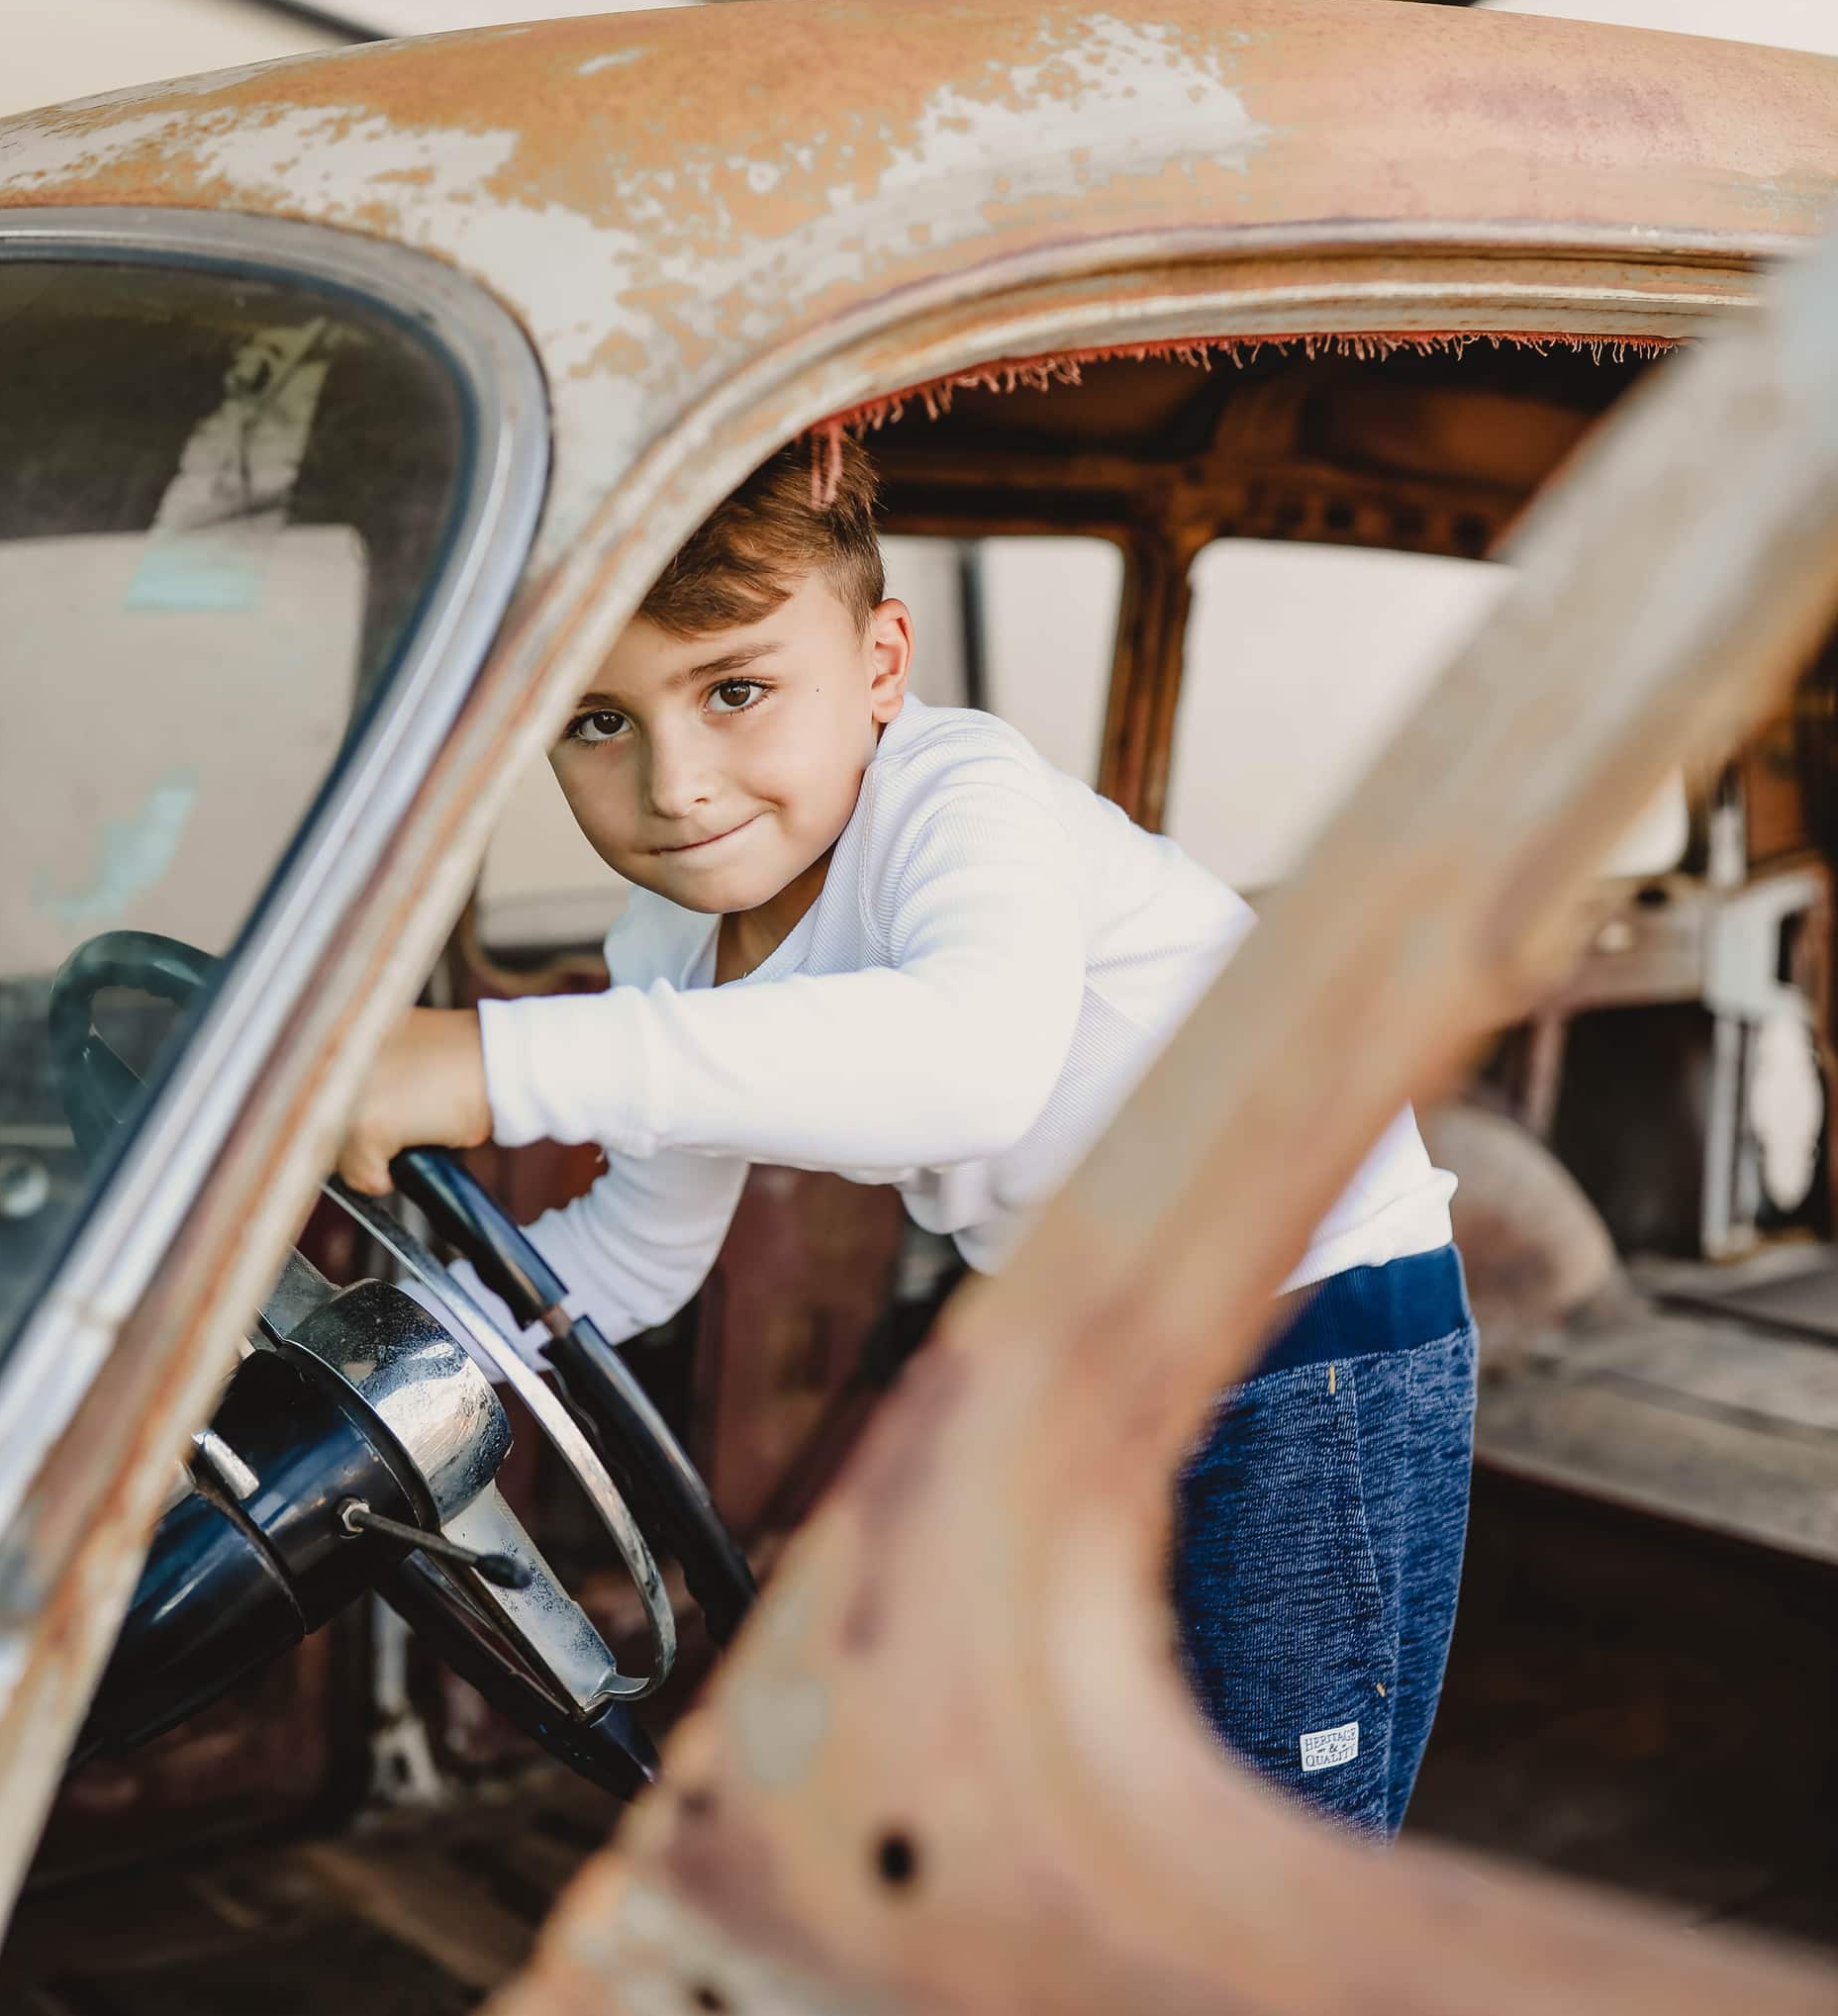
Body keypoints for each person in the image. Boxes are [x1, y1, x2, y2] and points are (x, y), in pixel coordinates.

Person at [338, 436, 1477, 1834]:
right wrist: (393, 1350)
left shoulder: (957, 793)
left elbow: (967, 1063)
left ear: (882, 665)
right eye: (596, 721)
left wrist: (485, 1066)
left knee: (1274, 1830)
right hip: (1094, 1342)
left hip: (1316, 1328)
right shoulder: (666, 941)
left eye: (737, 691)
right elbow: (631, 1262)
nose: (676, 784)